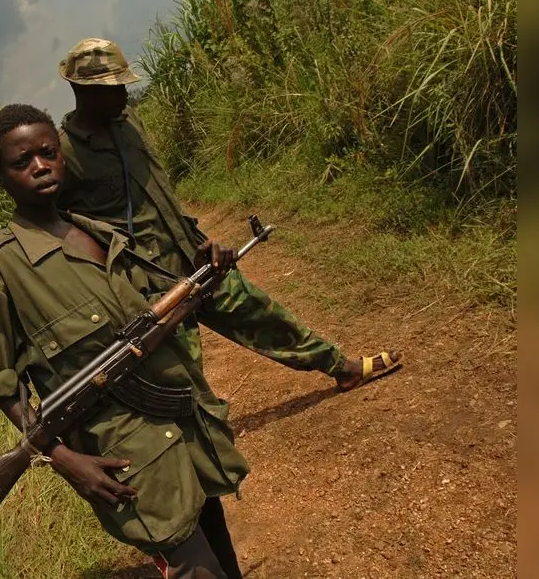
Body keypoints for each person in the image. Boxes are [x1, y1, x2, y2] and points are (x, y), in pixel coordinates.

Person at [0, 103, 248, 578]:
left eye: (48, 153)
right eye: (22, 162)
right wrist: (64, 461)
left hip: (179, 413)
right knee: (191, 563)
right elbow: (1, 386)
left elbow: (152, 312)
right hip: (127, 451)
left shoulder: (96, 231)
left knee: (211, 522)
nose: (40, 166)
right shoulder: (2, 265)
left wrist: (205, 271)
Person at [55, 38, 401, 391]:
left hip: (197, 256)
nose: (123, 95)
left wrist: (199, 238)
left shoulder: (129, 122)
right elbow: (64, 233)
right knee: (183, 381)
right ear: (80, 89)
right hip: (152, 288)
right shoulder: (63, 154)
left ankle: (342, 368)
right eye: (112, 89)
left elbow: (159, 193)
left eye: (123, 86)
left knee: (263, 315)